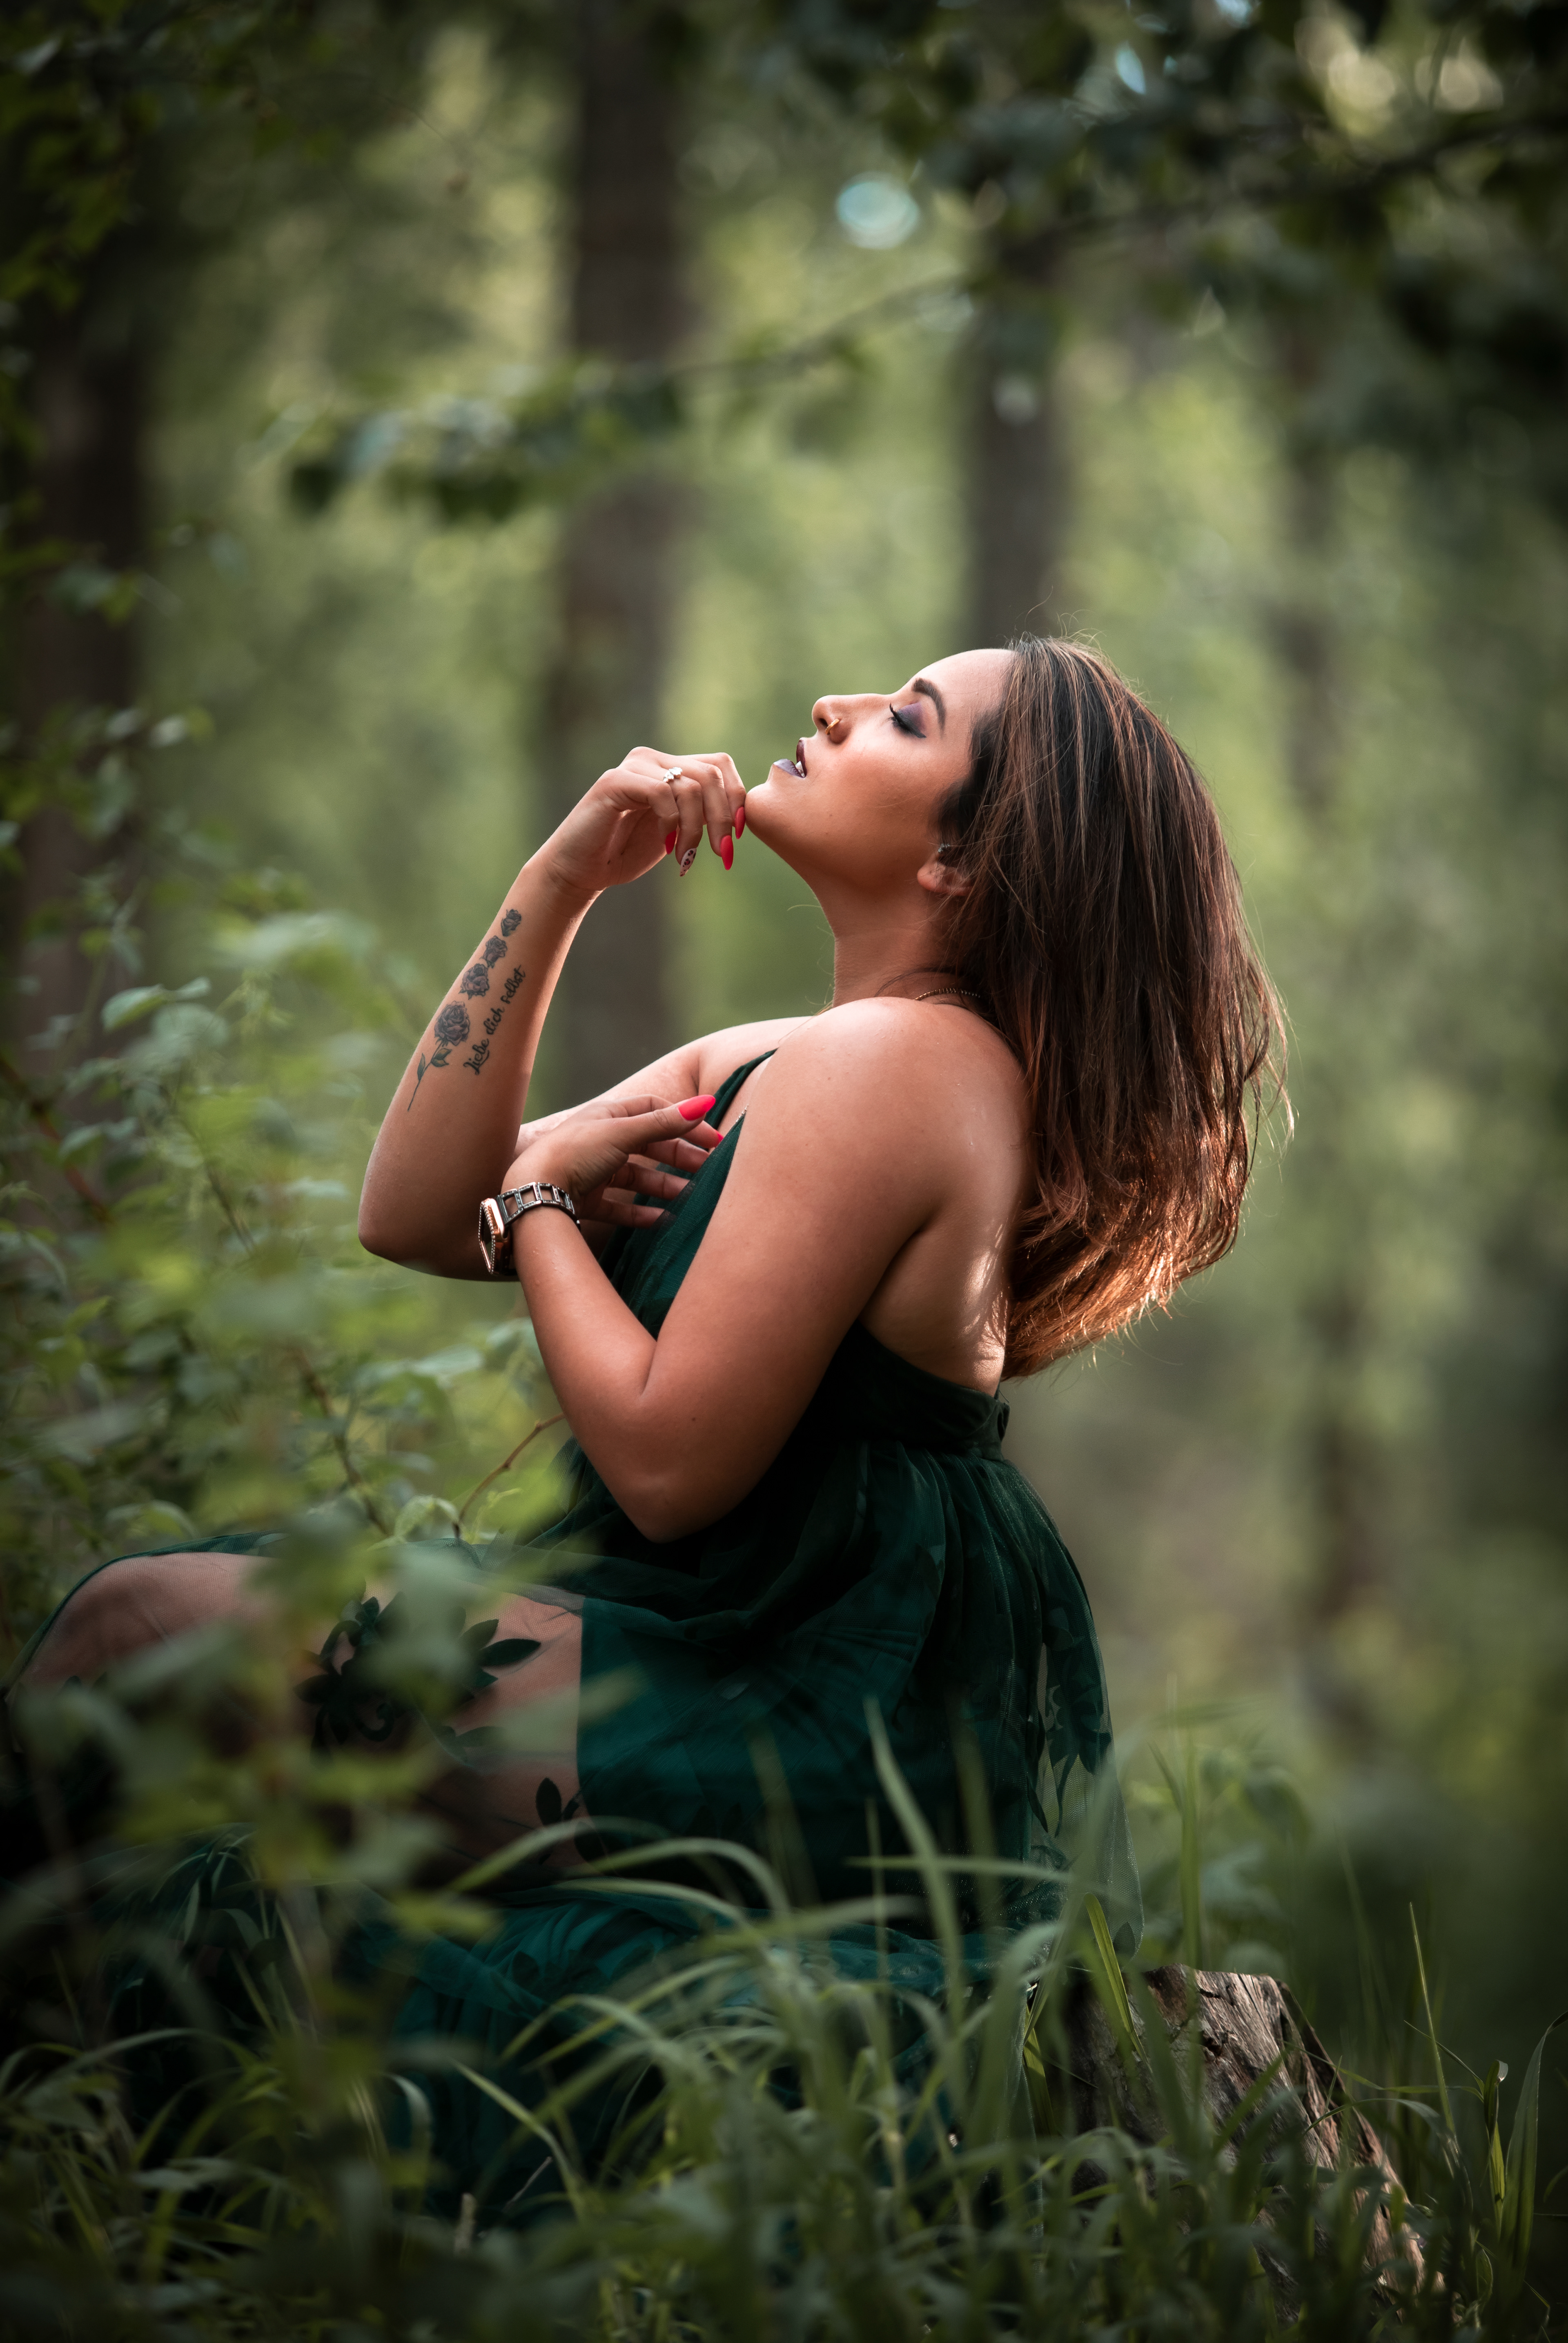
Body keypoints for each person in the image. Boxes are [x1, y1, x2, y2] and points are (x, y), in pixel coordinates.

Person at [5, 636, 1282, 2219]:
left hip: (792, 1702)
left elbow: (668, 1465)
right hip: (714, 1651)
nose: (833, 708)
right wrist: (564, 881)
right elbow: (418, 1212)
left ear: (961, 859)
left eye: (904, 719)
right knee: (173, 1708)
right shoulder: (786, 1059)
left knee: (138, 1634)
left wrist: (546, 1205)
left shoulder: (902, 1064)